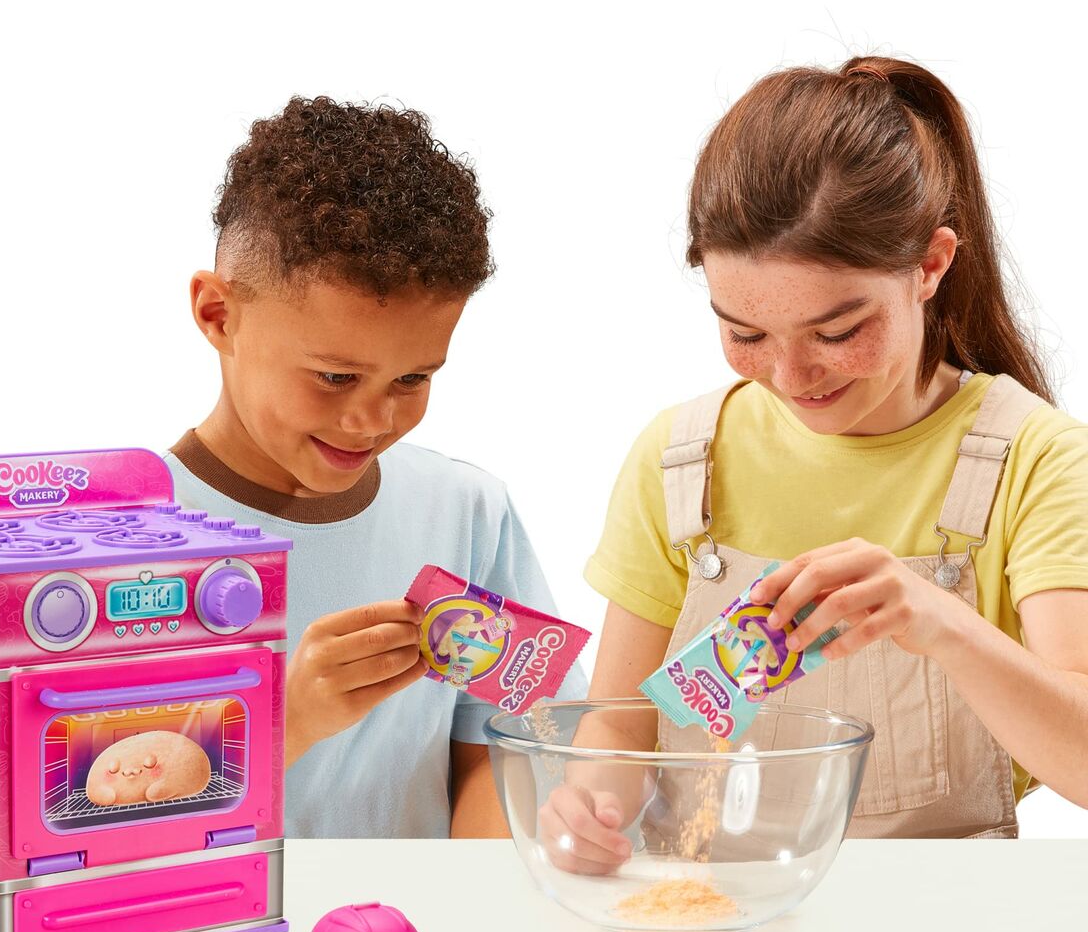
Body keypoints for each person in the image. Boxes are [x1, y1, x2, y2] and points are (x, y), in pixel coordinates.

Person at [543, 56, 1088, 871]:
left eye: (836, 332)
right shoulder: (682, 458)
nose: (792, 376)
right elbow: (620, 723)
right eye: (745, 334)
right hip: (709, 906)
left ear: (931, 265)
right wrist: (593, 803)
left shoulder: (1037, 460)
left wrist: (940, 623)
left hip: (943, 907)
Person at [166, 96, 584, 838]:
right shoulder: (121, 537)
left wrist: (465, 886)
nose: (373, 421)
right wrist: (287, 721)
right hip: (208, 912)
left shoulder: (465, 511)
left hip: (420, 913)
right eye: (334, 377)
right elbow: (85, 807)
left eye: (412, 379)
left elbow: (504, 752)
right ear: (218, 315)